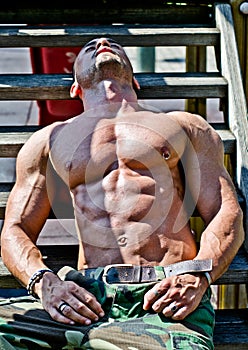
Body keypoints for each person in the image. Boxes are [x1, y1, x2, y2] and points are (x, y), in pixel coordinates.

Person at [0, 37, 244, 349]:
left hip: (166, 293)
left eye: (113, 42)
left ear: (135, 80)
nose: (102, 42)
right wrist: (43, 282)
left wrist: (198, 276)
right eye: (89, 46)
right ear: (75, 88)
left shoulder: (183, 126)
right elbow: (15, 229)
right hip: (85, 297)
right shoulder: (48, 141)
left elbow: (227, 209)